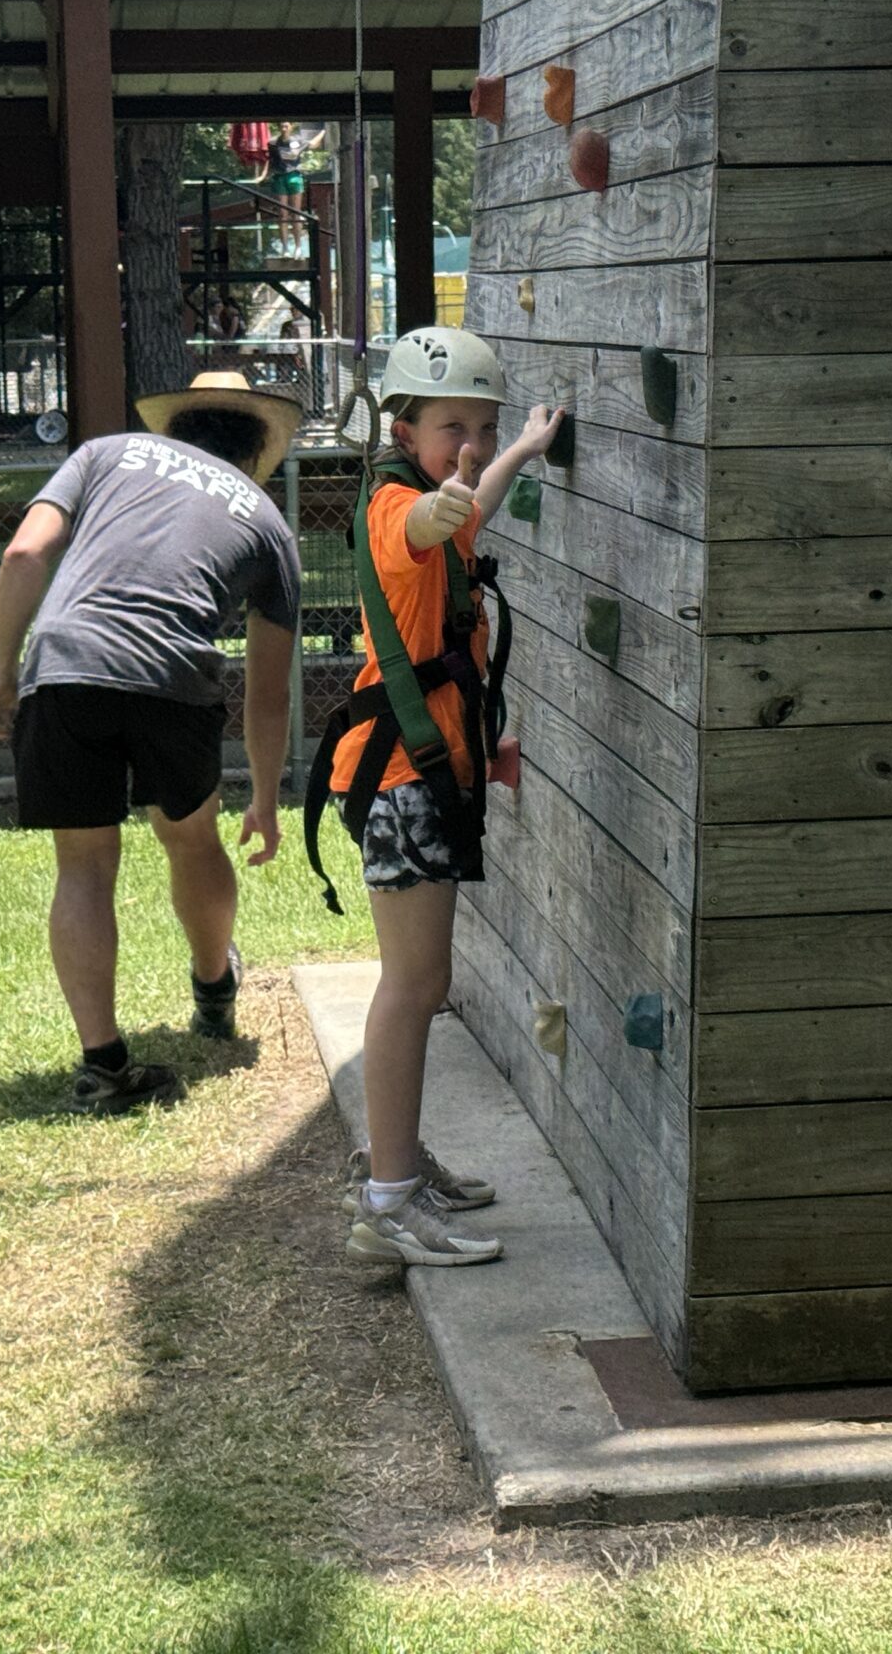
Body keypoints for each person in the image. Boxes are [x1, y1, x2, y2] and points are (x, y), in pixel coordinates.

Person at [0, 370, 304, 1116]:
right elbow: (269, 691)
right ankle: (214, 987)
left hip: (65, 664)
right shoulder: (266, 522)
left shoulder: (105, 453)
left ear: (177, 426)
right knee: (191, 839)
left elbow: (23, 556)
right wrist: (263, 797)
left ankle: (102, 1066)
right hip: (174, 678)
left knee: (84, 864)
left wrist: (2, 674)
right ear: (259, 449)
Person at [316, 327, 563, 1266]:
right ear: (403, 431)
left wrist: (518, 451)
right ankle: (389, 1200)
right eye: (453, 427)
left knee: (420, 984)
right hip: (401, 783)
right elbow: (424, 524)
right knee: (414, 987)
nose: (471, 443)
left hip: (422, 774)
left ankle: (399, 1164)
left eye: (483, 426)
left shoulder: (438, 498)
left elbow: (464, 510)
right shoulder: (396, 508)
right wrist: (450, 496)